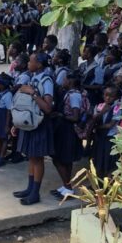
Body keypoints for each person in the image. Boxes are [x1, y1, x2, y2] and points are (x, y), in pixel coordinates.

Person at [13, 52, 55, 205]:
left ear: (39, 64)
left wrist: (33, 93)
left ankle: (35, 193)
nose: (28, 64)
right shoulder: (32, 78)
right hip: (29, 123)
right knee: (31, 157)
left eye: (31, 61)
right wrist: (16, 124)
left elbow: (48, 108)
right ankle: (30, 188)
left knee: (37, 159)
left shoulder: (46, 81)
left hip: (39, 123)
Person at [51, 72, 86, 200]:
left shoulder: (74, 95)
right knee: (65, 159)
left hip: (68, 130)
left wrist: (61, 115)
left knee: (59, 158)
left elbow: (75, 116)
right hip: (65, 129)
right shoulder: (70, 93)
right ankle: (66, 185)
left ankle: (68, 186)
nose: (63, 82)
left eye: (65, 80)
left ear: (70, 82)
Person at [91, 85, 122, 179]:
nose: (108, 98)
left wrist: (97, 127)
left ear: (116, 97)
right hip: (99, 138)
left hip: (109, 139)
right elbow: (93, 119)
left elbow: (110, 125)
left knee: (108, 162)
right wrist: (102, 112)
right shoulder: (99, 106)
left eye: (111, 96)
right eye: (106, 95)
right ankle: (99, 182)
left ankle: (108, 182)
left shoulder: (117, 108)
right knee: (97, 160)